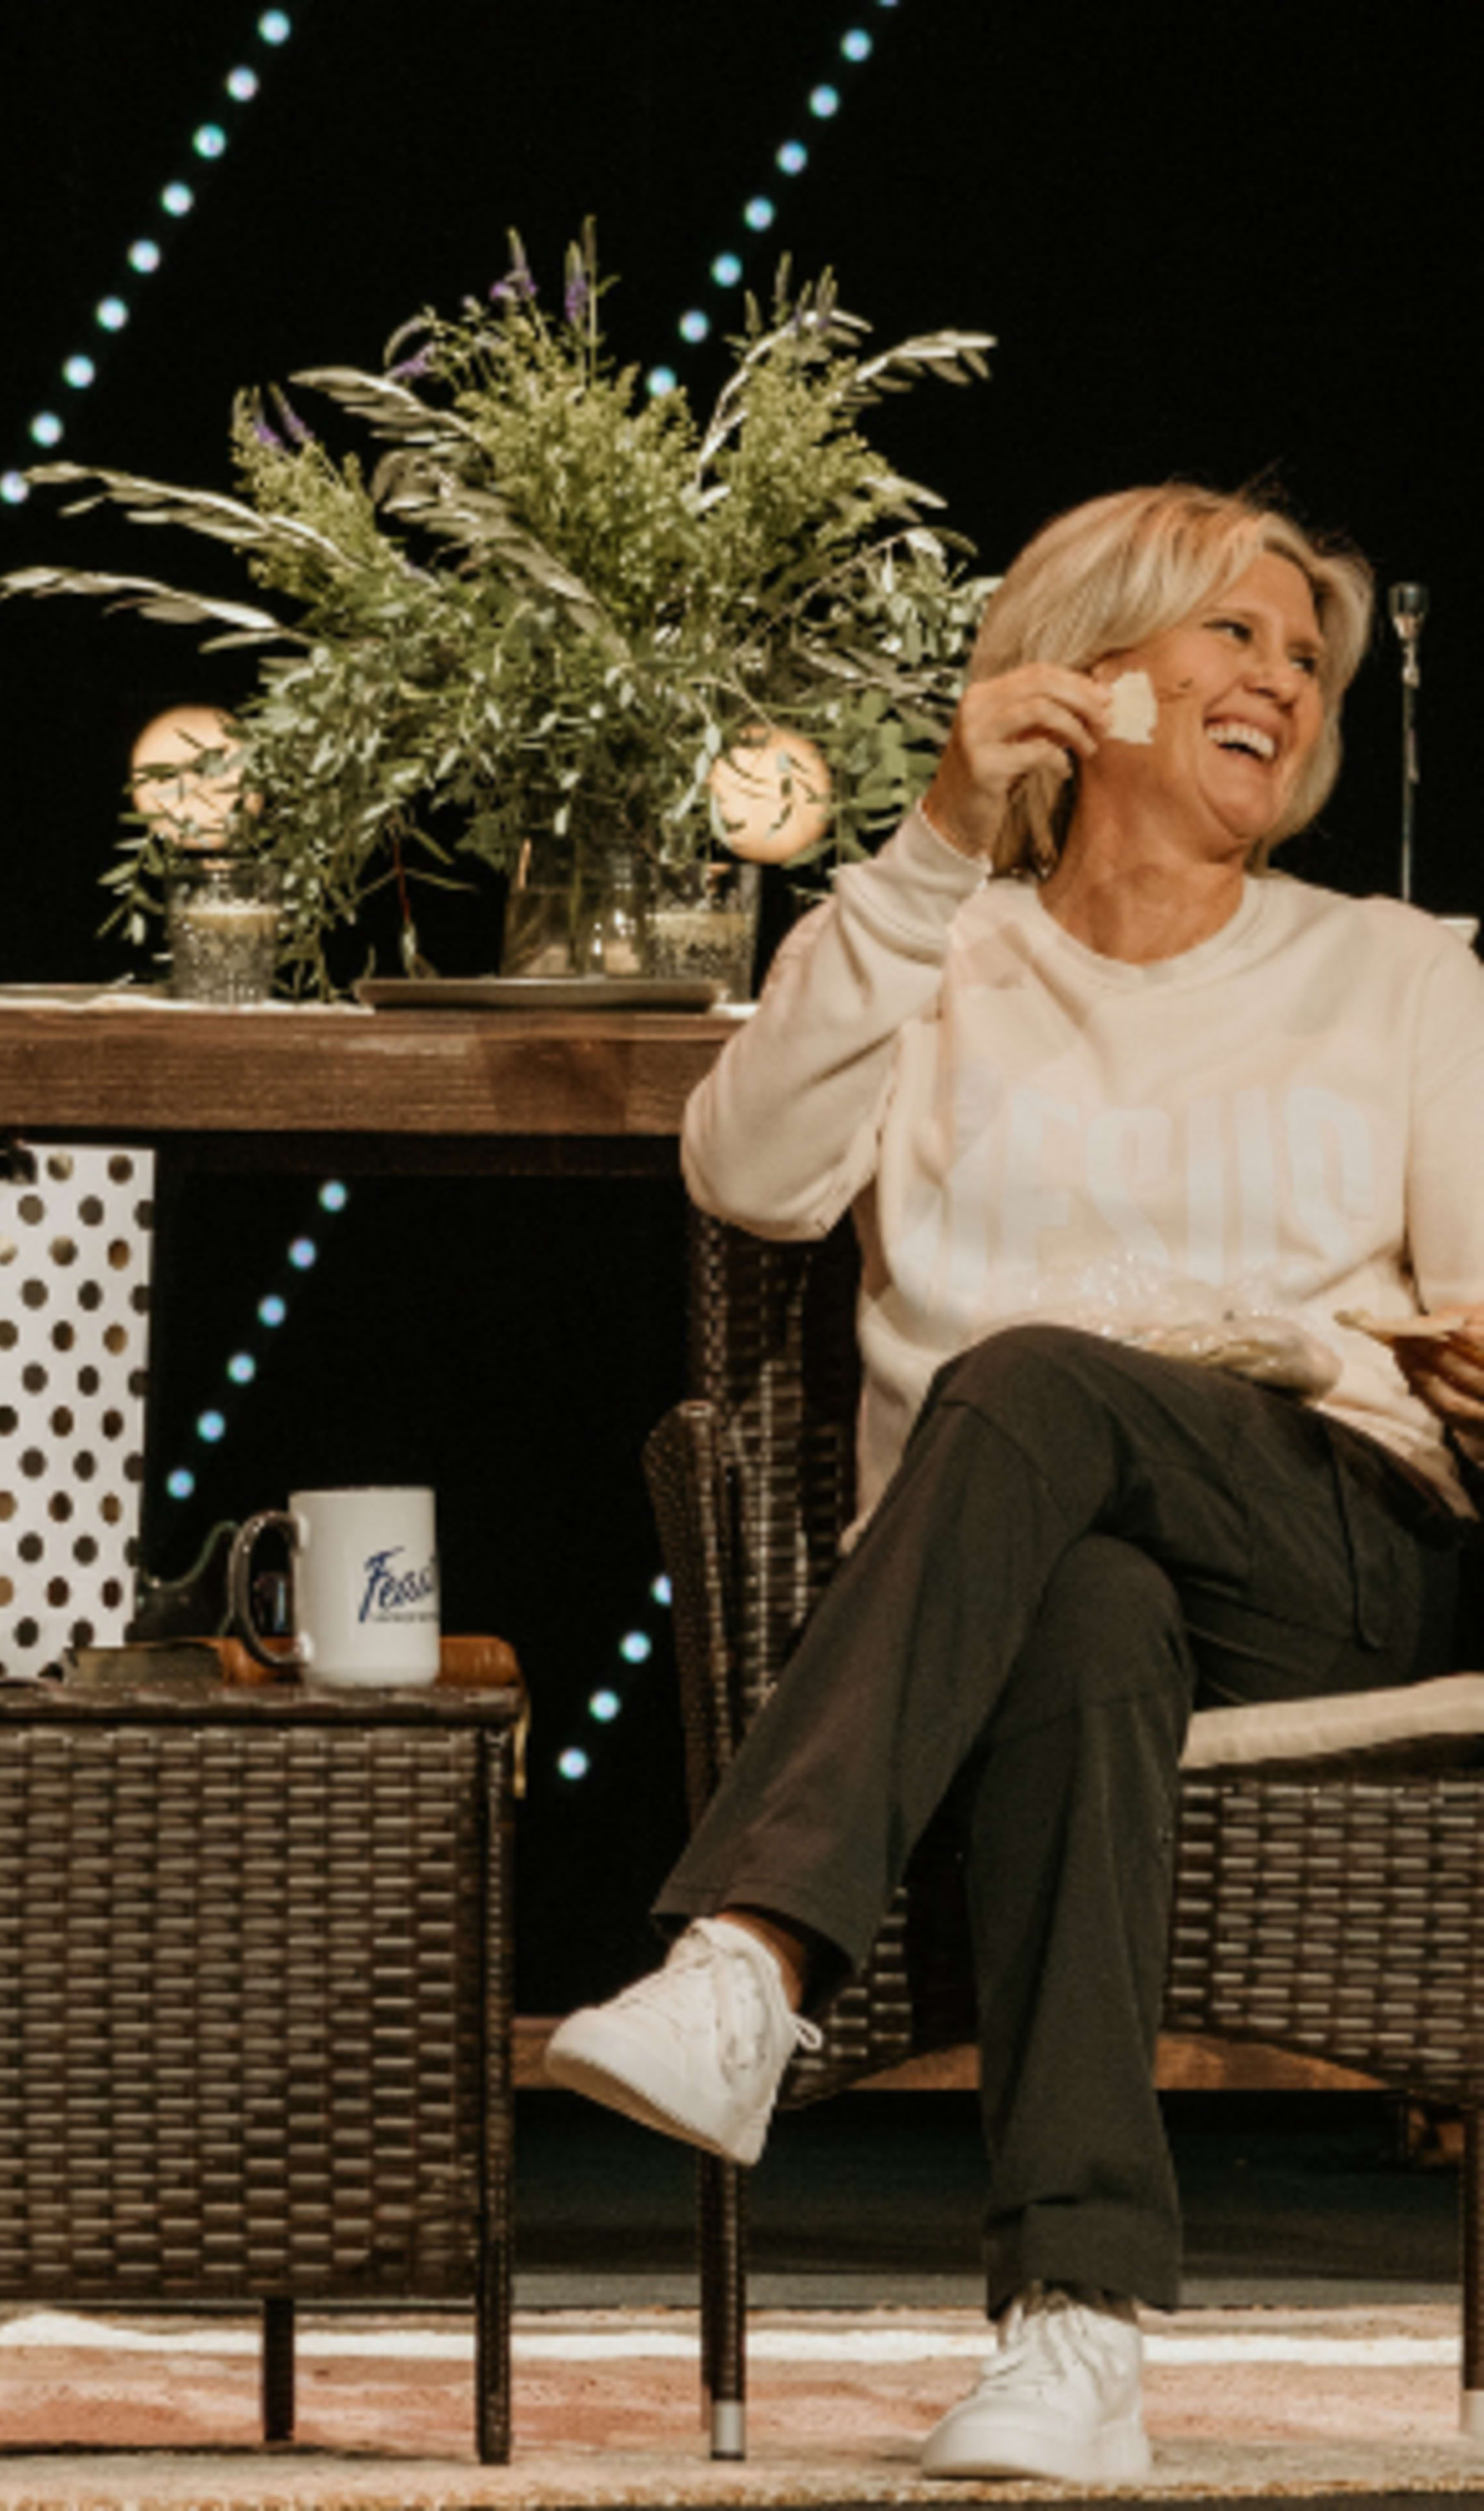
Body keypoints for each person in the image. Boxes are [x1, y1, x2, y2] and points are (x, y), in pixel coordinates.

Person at [545, 485, 1484, 2484]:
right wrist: (932, 843)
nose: (1282, 684)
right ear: (1090, 667)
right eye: (1234, 637)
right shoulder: (934, 949)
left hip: (1332, 1542)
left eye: (1305, 661)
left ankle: (751, 1957)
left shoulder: (1403, 974)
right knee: (1083, 1602)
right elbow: (751, 1175)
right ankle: (1073, 2331)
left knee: (1040, 1379)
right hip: (1022, 1592)